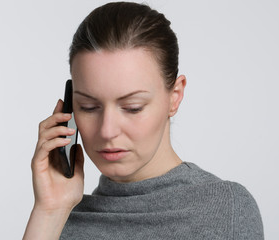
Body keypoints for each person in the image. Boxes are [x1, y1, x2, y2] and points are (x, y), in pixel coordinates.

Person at [23, 2, 264, 239]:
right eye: (89, 107)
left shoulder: (226, 209)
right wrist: (49, 213)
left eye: (132, 108)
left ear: (175, 97)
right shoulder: (58, 220)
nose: (107, 131)